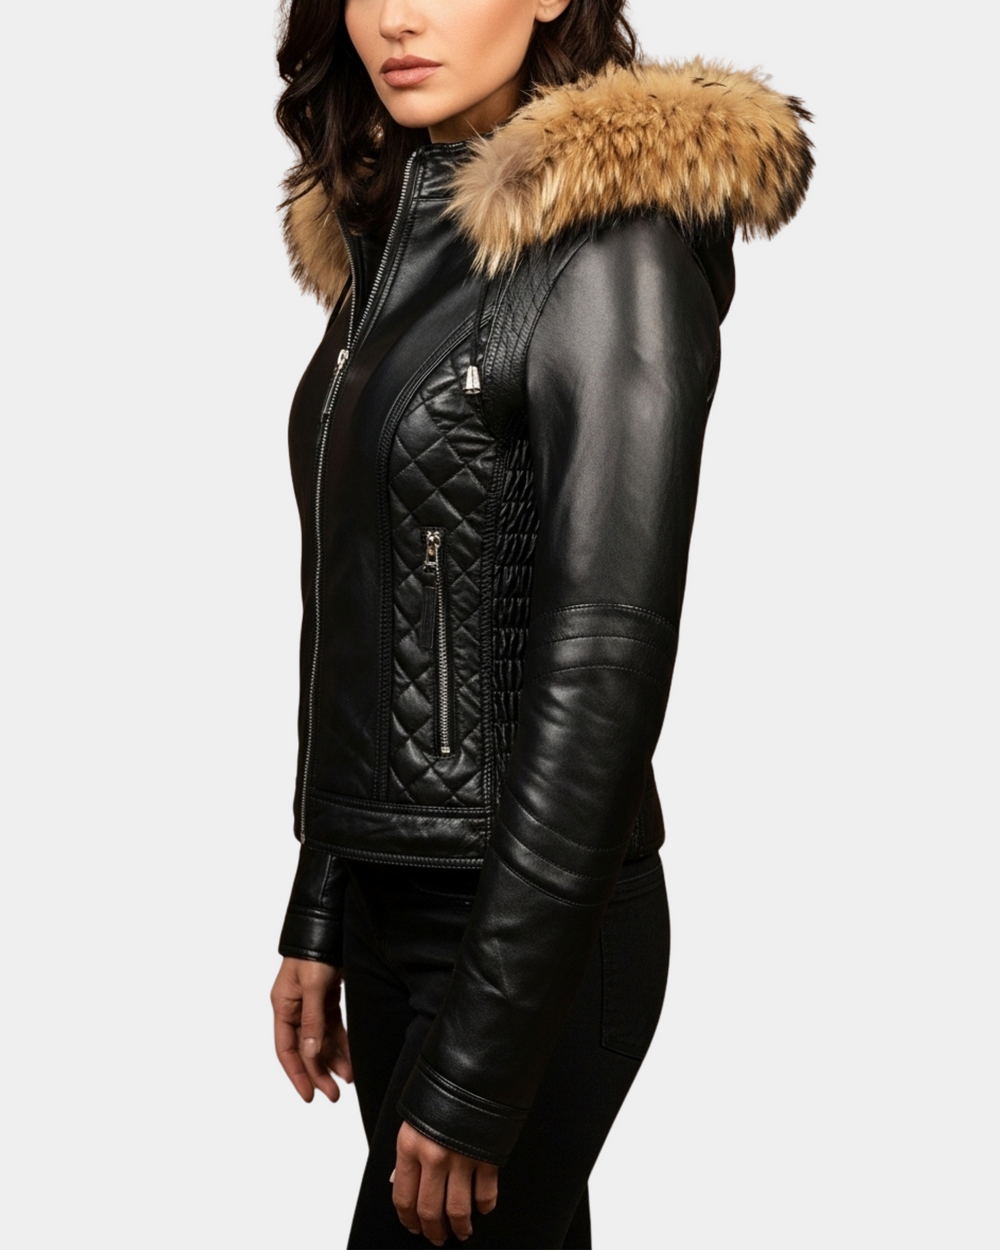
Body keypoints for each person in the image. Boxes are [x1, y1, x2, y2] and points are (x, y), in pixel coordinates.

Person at [268, 1, 814, 1245]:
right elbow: (360, 606)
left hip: (529, 932)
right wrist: (322, 899)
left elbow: (601, 669)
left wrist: (482, 1061)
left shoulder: (614, 246)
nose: (396, 18)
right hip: (394, 906)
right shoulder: (400, 235)